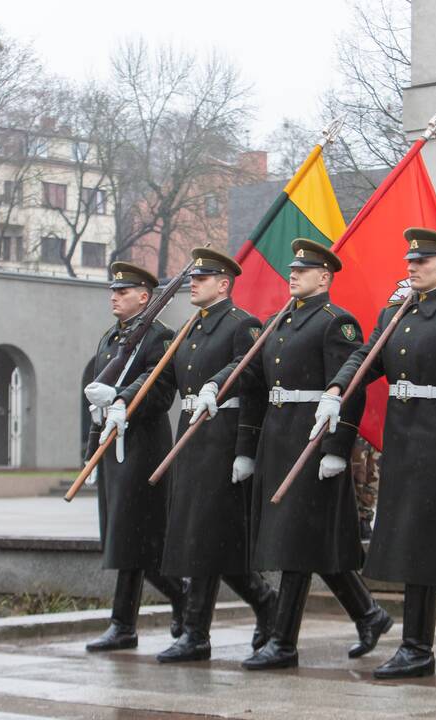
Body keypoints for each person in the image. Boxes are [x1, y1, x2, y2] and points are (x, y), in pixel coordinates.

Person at [196, 238, 391, 671]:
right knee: (308, 542)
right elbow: (250, 369)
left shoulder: (336, 323)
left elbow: (352, 387)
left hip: (312, 440)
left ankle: (283, 642)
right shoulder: (279, 320)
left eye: (302, 271)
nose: (293, 275)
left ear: (324, 277)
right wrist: (218, 383)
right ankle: (370, 614)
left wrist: (337, 448)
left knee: (295, 544)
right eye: (292, 269)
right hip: (279, 439)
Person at [317, 228, 436, 679]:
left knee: (423, 545)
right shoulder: (397, 312)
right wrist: (338, 387)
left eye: (422, 261)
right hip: (403, 442)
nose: (412, 267)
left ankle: (418, 648)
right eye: (409, 262)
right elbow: (367, 357)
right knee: (414, 544)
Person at [117, 247, 276, 663]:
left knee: (206, 538)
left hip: (221, 440)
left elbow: (250, 373)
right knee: (206, 538)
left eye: (202, 279)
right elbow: (159, 378)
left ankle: (196, 633)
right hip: (190, 440)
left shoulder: (243, 326)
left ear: (224, 285)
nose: (193, 283)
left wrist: (244, 448)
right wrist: (122, 400)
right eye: (193, 278)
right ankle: (266, 603)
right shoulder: (190, 328)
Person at [81, 261, 185, 651]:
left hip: (142, 446)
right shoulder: (111, 337)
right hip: (112, 448)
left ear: (145, 296)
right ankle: (180, 597)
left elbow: (160, 392)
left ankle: (125, 623)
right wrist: (91, 451)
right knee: (123, 537)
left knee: (134, 538)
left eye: (123, 292)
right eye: (113, 291)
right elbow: (97, 398)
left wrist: (125, 402)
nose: (114, 296)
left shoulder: (159, 337)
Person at [351, 438, 379, 541]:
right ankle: (357, 517)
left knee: (374, 471)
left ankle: (364, 517)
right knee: (358, 466)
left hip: (379, 427)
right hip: (358, 427)